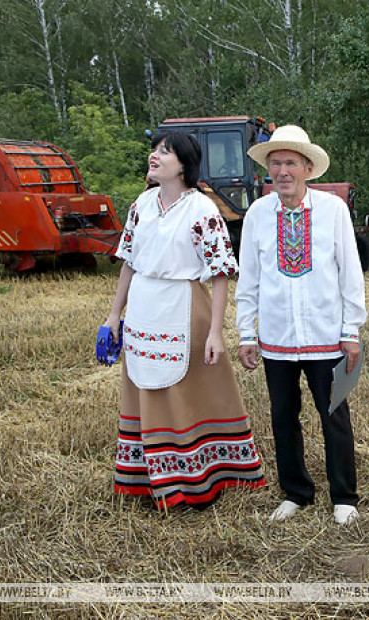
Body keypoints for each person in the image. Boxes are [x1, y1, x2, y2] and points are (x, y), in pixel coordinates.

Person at [104, 130, 265, 509]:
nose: (154, 156)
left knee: (186, 392)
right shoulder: (140, 206)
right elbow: (128, 263)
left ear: (184, 166)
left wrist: (216, 332)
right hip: (144, 308)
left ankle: (195, 482)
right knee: (146, 387)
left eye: (166, 152)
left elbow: (221, 272)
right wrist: (114, 315)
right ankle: (150, 479)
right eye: (155, 149)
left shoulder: (203, 210)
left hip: (183, 305)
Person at [235, 125, 367, 525]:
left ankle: (344, 497)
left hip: (327, 335)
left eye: (291, 162)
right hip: (276, 338)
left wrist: (351, 330)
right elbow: (249, 278)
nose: (283, 171)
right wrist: (245, 332)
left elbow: (350, 274)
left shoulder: (332, 210)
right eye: (275, 163)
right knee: (282, 415)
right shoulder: (258, 214)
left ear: (308, 168)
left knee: (334, 414)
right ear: (267, 171)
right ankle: (296, 491)